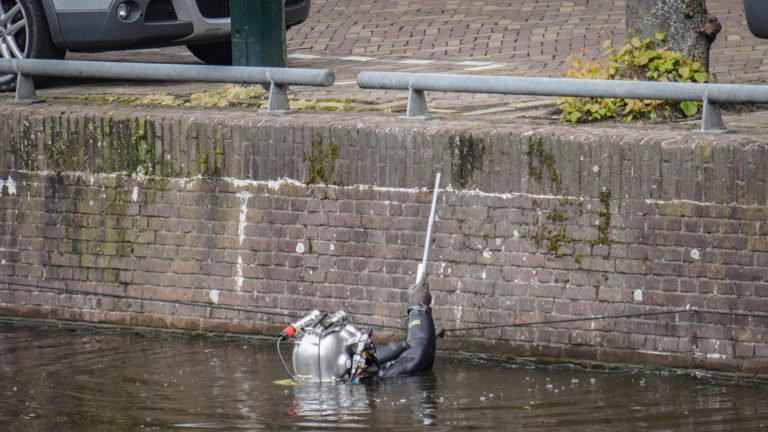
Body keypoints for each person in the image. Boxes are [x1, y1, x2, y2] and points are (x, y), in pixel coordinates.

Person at [374, 277, 436, 379]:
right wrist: (418, 309)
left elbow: (415, 349)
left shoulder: (367, 362)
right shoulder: (379, 376)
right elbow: (418, 355)